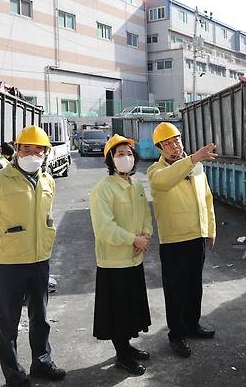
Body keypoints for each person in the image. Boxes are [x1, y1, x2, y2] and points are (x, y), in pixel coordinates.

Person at [0, 125, 65, 387]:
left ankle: (42, 362)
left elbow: (47, 217)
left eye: (38, 150)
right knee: (8, 323)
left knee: (41, 318)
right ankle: (14, 376)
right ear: (17, 149)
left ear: (46, 153)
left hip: (39, 260)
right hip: (9, 264)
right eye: (26, 149)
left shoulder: (48, 181)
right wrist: (1, 244)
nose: (32, 154)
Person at [147, 122, 218, 358]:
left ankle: (192, 325)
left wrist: (210, 229)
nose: (173, 145)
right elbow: (166, 180)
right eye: (167, 143)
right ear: (160, 149)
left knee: (194, 286)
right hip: (174, 241)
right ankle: (176, 334)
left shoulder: (195, 167)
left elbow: (207, 198)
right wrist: (193, 158)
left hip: (196, 236)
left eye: (176, 140)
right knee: (175, 291)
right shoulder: (156, 172)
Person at [90, 134, 153, 376]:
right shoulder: (102, 190)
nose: (125, 158)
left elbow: (145, 214)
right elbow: (104, 228)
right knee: (118, 311)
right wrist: (133, 239)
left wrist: (145, 236)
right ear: (110, 160)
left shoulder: (136, 185)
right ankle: (122, 355)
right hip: (113, 261)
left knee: (130, 307)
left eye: (128, 153)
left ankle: (127, 346)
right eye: (119, 154)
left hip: (135, 257)